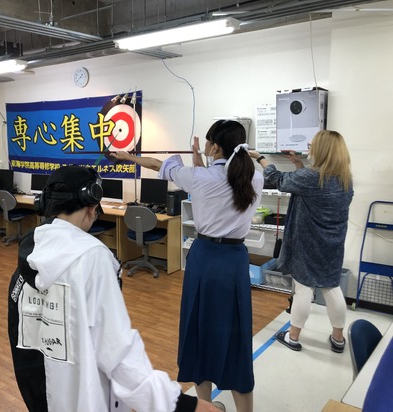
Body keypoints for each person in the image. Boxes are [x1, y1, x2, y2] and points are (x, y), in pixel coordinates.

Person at [7, 165, 219, 412]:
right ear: (91, 205)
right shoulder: (92, 258)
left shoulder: (29, 254)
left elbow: (21, 340)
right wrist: (181, 405)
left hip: (42, 398)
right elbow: (117, 354)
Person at [112, 119, 264, 412]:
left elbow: (157, 165)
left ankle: (205, 406)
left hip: (205, 259)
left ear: (214, 147)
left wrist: (128, 156)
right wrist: (202, 159)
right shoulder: (254, 177)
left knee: (199, 329)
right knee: (236, 336)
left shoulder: (198, 177)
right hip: (234, 261)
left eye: (208, 142)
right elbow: (221, 177)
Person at [249, 129, 354, 353]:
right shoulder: (344, 179)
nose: (308, 149)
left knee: (303, 289)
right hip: (332, 244)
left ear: (322, 150)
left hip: (307, 243)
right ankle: (338, 338)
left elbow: (278, 180)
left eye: (311, 146)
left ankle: (293, 336)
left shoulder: (312, 177)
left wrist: (260, 157)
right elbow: (310, 190)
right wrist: (298, 164)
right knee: (331, 286)